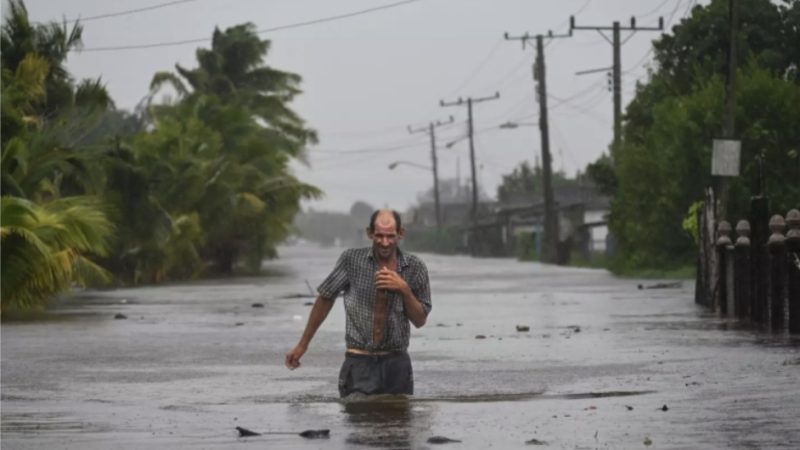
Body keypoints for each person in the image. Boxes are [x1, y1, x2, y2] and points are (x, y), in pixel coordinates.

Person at [285, 209, 432, 397]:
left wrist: (403, 289)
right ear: (370, 233)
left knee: (398, 423)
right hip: (359, 361)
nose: (385, 242)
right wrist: (302, 345)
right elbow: (325, 298)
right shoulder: (351, 261)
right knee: (358, 422)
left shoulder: (415, 267)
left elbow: (420, 320)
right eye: (379, 236)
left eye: (390, 236)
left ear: (400, 234)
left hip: (397, 363)